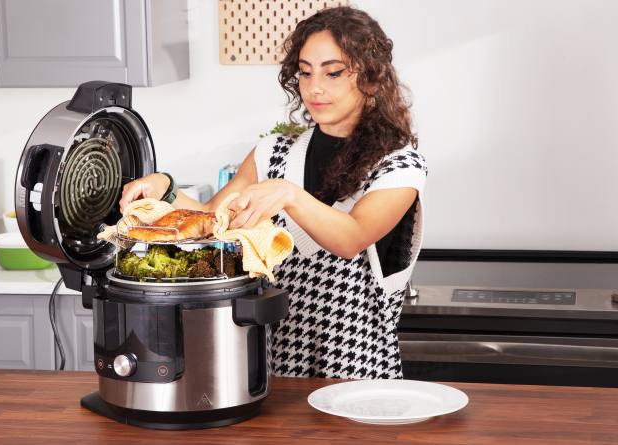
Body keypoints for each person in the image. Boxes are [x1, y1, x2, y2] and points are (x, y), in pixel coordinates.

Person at [119, 6, 427, 380]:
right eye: (305, 71)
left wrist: (288, 194)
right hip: (269, 364)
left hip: (356, 373)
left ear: (373, 80)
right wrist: (164, 188)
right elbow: (212, 218)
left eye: (333, 73)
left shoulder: (399, 165)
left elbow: (352, 238)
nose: (314, 87)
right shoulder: (273, 152)